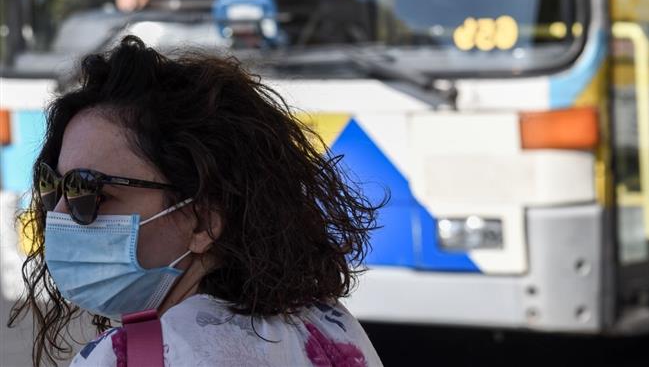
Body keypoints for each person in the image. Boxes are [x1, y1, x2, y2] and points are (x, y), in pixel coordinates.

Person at [8, 35, 385, 367]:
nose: (59, 214)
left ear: (203, 221)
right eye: (52, 186)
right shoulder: (329, 328)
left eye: (93, 193)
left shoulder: (130, 357)